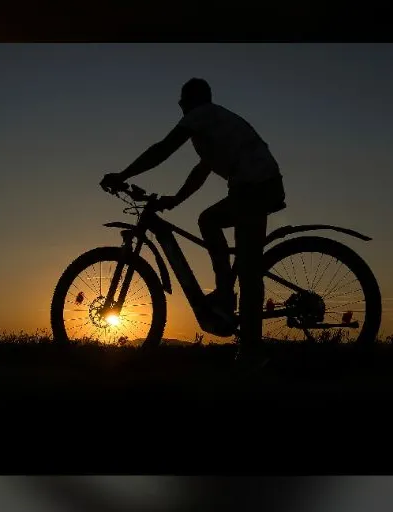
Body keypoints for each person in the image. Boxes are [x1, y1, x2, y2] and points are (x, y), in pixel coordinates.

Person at [100, 79, 286, 365]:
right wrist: (175, 200)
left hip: (255, 188)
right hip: (258, 185)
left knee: (243, 263)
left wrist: (123, 175)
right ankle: (232, 306)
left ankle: (246, 339)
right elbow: (202, 171)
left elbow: (163, 149)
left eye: (182, 101)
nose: (180, 107)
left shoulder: (201, 115)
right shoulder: (214, 124)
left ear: (189, 101)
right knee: (219, 232)